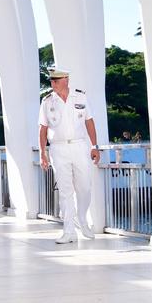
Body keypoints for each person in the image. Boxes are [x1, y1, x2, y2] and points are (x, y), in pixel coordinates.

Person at [38, 68, 101, 244]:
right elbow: (42, 129)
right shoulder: (47, 101)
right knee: (65, 192)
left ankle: (81, 218)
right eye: (51, 81)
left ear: (66, 80)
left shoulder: (80, 97)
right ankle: (68, 231)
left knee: (85, 188)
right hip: (58, 149)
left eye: (56, 80)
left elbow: (89, 121)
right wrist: (43, 153)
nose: (53, 84)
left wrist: (95, 146)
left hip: (80, 146)